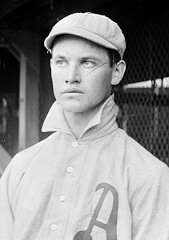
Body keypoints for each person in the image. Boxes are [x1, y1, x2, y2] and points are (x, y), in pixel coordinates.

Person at [0, 12, 169, 240]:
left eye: (87, 62)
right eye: (61, 62)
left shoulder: (149, 175)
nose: (71, 76)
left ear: (117, 71)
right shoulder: (21, 168)